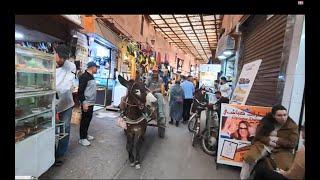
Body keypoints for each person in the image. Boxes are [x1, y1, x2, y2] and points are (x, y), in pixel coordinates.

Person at [240, 105, 299, 180]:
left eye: (285, 115)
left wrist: (277, 140)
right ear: (273, 115)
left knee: (285, 167)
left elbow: (293, 144)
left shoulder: (292, 126)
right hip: (263, 145)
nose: (283, 118)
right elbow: (259, 135)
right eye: (279, 115)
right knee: (249, 158)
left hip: (282, 149)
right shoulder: (266, 121)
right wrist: (268, 140)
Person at [54, 44, 76, 166]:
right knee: (49, 129)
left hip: (65, 103)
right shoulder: (48, 64)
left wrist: (54, 90)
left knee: (64, 128)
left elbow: (67, 84)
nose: (62, 60)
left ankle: (60, 155)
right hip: (50, 103)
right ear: (55, 52)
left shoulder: (71, 66)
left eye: (64, 58)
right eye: (60, 56)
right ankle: (49, 154)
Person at [78, 62, 99, 146]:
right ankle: (82, 138)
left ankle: (85, 135)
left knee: (88, 119)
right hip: (87, 102)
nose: (96, 69)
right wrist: (84, 102)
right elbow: (80, 91)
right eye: (96, 68)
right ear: (92, 67)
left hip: (91, 102)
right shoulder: (84, 76)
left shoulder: (91, 76)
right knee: (84, 120)